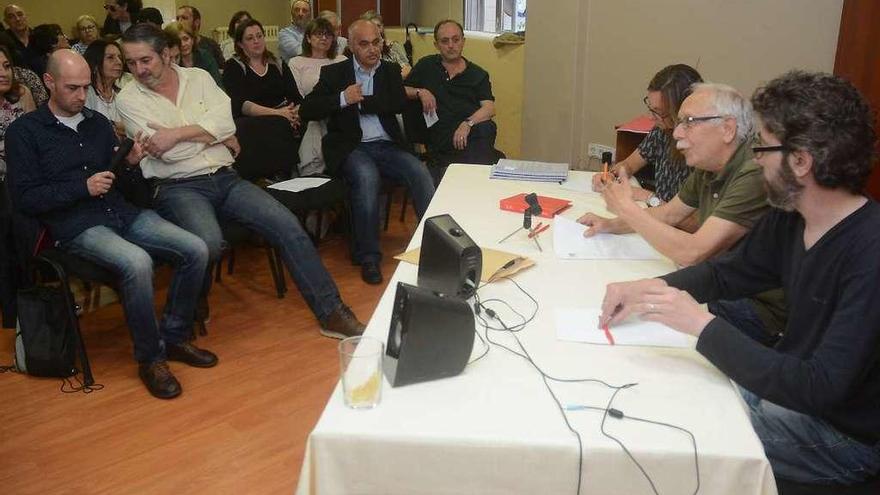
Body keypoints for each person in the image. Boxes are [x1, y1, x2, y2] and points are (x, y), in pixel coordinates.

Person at [598, 71, 880, 486]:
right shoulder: (792, 217)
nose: (756, 158)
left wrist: (699, 324)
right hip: (795, 397)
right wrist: (651, 288)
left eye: (763, 147)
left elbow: (818, 387)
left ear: (801, 161)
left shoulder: (869, 252)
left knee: (667, 436)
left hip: (842, 437)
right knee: (662, 397)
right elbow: (726, 274)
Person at [116, 23, 365, 339]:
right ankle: (192, 304)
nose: (138, 69)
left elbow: (225, 122)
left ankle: (332, 312)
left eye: (145, 60)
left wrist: (178, 134)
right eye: (131, 62)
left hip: (224, 177)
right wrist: (214, 137)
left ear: (165, 54)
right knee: (207, 242)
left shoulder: (200, 79)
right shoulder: (128, 99)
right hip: (177, 186)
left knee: (287, 225)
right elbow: (167, 155)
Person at [6, 49, 214, 400]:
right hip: (75, 225)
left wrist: (130, 162)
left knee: (197, 248)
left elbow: (118, 181)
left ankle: (175, 336)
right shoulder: (25, 132)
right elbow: (26, 198)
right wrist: (80, 188)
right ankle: (151, 358)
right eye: (72, 88)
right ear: (48, 82)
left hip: (120, 212)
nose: (81, 96)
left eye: (86, 87)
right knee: (137, 262)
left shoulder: (97, 123)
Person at [578, 82, 785, 345]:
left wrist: (628, 209)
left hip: (757, 312)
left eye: (689, 122)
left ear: (727, 128)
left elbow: (694, 251)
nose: (676, 133)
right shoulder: (710, 162)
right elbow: (669, 215)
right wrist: (610, 224)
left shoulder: (754, 171)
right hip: (721, 287)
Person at [300, 20, 435, 285]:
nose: (373, 49)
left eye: (377, 42)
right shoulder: (335, 74)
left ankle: (434, 245)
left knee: (420, 172)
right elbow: (308, 109)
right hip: (352, 148)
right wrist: (342, 98)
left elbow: (395, 102)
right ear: (350, 46)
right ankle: (369, 256)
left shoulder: (390, 70)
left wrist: (360, 104)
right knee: (366, 177)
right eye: (364, 44)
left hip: (386, 145)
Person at [591, 64, 703, 207]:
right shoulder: (661, 131)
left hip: (674, 225)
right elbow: (629, 164)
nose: (652, 117)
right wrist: (611, 175)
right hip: (659, 217)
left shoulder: (704, 152)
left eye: (659, 111)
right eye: (651, 108)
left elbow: (697, 223)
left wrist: (647, 196)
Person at [404, 19, 499, 175]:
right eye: (445, 41)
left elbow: (489, 108)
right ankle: (467, 178)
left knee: (487, 128)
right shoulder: (426, 66)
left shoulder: (478, 74)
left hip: (467, 138)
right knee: (487, 159)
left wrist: (467, 124)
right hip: (439, 137)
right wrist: (420, 92)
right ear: (436, 45)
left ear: (463, 41)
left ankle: (467, 180)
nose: (451, 45)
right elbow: (401, 90)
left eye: (456, 40)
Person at [289, 17, 346, 176]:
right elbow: (297, 95)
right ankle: (313, 171)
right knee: (316, 119)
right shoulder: (296, 62)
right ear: (308, 38)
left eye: (328, 35)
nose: (324, 38)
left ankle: (316, 169)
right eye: (318, 34)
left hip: (340, 109)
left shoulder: (341, 60)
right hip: (311, 111)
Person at [223, 19, 300, 127]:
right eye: (250, 38)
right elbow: (241, 105)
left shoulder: (278, 64)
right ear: (240, 44)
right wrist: (278, 113)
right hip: (252, 122)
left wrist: (294, 113)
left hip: (284, 118)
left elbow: (295, 97)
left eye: (259, 36)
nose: (256, 41)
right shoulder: (233, 66)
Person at [83, 39, 125, 138]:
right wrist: (114, 125)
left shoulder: (123, 94)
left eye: (120, 57)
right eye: (110, 57)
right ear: (95, 64)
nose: (119, 62)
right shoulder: (85, 93)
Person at [165, 21, 222, 88]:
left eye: (186, 39)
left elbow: (218, 85)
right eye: (178, 41)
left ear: (192, 39)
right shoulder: (171, 61)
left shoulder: (205, 56)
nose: (183, 44)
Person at [360, 10, 410, 78]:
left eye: (378, 26)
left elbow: (407, 68)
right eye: (372, 26)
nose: (376, 29)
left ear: (382, 27)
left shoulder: (393, 46)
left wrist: (393, 80)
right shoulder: (361, 49)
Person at [3, 4, 30, 69]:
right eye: (11, 17)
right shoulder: (3, 41)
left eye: (20, 15)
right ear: (6, 22)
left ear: (26, 16)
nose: (17, 19)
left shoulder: (39, 36)